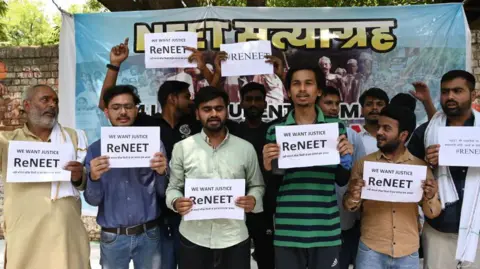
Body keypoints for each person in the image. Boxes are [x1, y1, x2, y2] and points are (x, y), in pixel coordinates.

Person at [99, 38, 201, 269]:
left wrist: (203, 68)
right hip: (158, 213)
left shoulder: (193, 122)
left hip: (191, 205)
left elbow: (215, 98)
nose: (191, 100)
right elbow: (108, 103)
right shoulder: (145, 124)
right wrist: (114, 65)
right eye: (187, 95)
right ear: (172, 98)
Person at [262, 66, 353, 269]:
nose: (302, 89)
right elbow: (274, 185)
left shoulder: (335, 128)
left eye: (308, 83)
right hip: (287, 232)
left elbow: (341, 179)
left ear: (319, 90)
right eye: (296, 83)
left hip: (326, 232)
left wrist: (345, 157)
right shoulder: (275, 131)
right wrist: (268, 168)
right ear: (288, 91)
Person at [166, 86, 265, 269]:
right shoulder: (182, 147)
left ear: (227, 111)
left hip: (234, 238)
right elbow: (173, 187)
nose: (213, 114)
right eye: (206, 109)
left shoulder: (245, 148)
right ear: (197, 114)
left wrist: (253, 199)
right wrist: (175, 202)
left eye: (218, 109)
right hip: (193, 237)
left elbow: (257, 185)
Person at [0, 84, 90, 269]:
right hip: (24, 239)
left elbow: (87, 184)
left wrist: (79, 176)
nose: (52, 105)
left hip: (66, 238)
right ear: (27, 105)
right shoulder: (9, 142)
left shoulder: (73, 138)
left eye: (55, 101)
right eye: (45, 100)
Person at [344, 104, 441, 269]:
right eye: (379, 126)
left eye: (386, 128)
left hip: (408, 252)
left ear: (403, 135)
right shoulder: (364, 164)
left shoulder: (420, 168)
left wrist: (430, 196)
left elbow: (433, 213)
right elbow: (349, 207)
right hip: (371, 250)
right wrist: (353, 195)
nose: (379, 132)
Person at [84, 85, 168, 269]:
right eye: (116, 107)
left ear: (136, 110)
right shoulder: (95, 150)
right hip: (113, 237)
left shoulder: (154, 145)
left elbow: (162, 194)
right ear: (106, 112)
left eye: (128, 106)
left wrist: (162, 173)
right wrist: (94, 177)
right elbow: (92, 199)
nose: (123, 112)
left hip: (149, 234)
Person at [407, 70, 480, 268]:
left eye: (458, 91)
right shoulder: (426, 131)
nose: (450, 97)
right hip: (439, 230)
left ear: (473, 95)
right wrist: (428, 165)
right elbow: (408, 168)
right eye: (445, 92)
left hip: (478, 229)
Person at [317, 86, 367, 269]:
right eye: (328, 103)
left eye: (337, 104)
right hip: (313, 215)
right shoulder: (302, 134)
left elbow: (360, 173)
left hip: (343, 215)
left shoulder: (352, 135)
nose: (333, 108)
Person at [235, 82, 275, 269]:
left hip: (265, 208)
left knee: (267, 260)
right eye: (248, 99)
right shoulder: (232, 131)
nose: (253, 104)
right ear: (241, 103)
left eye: (258, 100)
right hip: (234, 205)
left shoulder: (274, 131)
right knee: (236, 261)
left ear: (265, 104)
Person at [358, 88, 389, 154]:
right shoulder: (354, 140)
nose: (374, 107)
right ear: (362, 110)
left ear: (387, 109)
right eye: (369, 104)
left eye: (379, 104)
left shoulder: (396, 138)